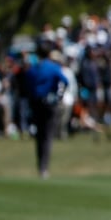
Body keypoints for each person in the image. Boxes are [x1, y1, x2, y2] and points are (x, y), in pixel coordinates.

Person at [22, 44, 69, 179]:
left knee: (40, 135)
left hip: (36, 103)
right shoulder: (53, 67)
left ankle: (41, 166)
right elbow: (64, 81)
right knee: (47, 135)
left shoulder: (34, 68)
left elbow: (28, 83)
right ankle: (44, 168)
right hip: (49, 103)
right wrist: (59, 96)